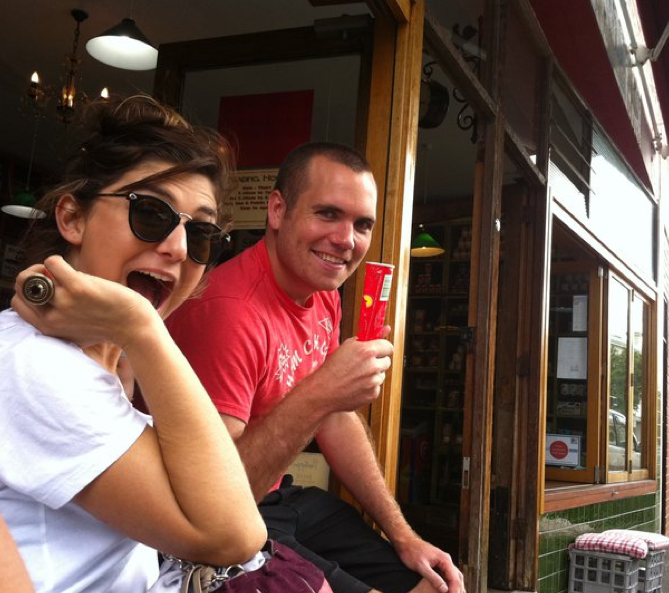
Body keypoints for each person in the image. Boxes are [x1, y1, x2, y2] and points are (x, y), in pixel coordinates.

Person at [0, 95, 330, 593]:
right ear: (72, 219)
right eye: (151, 213)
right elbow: (234, 535)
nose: (178, 248)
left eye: (201, 234)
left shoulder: (104, 366)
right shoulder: (36, 364)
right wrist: (141, 327)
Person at [166, 142, 466, 593]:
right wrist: (324, 390)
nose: (347, 240)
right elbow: (215, 499)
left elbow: (336, 419)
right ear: (277, 210)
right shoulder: (228, 311)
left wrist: (404, 536)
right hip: (220, 522)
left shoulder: (323, 294)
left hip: (281, 497)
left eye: (362, 224)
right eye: (328, 214)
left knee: (431, 583)